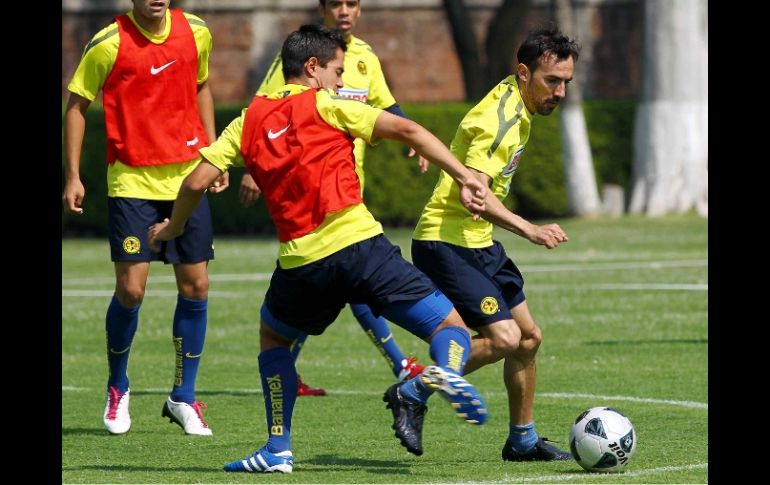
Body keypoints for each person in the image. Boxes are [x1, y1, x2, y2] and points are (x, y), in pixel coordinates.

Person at [148, 24, 490, 473]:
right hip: (362, 248)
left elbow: (195, 183)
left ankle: (277, 449)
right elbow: (407, 129)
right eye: (337, 71)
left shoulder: (247, 121)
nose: (340, 81)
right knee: (452, 329)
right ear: (312, 67)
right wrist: (465, 176)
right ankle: (438, 373)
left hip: (302, 264)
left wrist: (172, 228)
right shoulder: (329, 105)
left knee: (274, 339)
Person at [239, 0, 429, 397]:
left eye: (352, 3)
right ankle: (399, 364)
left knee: (339, 281)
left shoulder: (365, 58)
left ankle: (287, 365)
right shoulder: (302, 56)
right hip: (308, 190)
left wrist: (415, 137)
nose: (344, 11)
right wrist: (255, 169)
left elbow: (386, 105)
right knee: (344, 278)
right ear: (322, 8)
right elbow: (266, 109)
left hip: (347, 187)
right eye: (336, 4)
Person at [410, 25, 577, 462]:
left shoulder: (517, 103)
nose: (560, 92)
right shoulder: (500, 120)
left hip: (478, 243)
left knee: (528, 339)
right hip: (446, 243)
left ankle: (522, 441)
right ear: (523, 73)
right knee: (504, 338)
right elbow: (476, 197)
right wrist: (530, 229)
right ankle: (413, 388)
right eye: (552, 81)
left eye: (566, 82)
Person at [62, 0, 227, 436]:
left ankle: (183, 397)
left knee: (196, 287)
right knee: (131, 290)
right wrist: (73, 175)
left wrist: (215, 154)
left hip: (187, 179)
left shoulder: (197, 31)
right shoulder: (108, 43)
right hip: (131, 182)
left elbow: (202, 87)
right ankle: (118, 385)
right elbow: (76, 106)